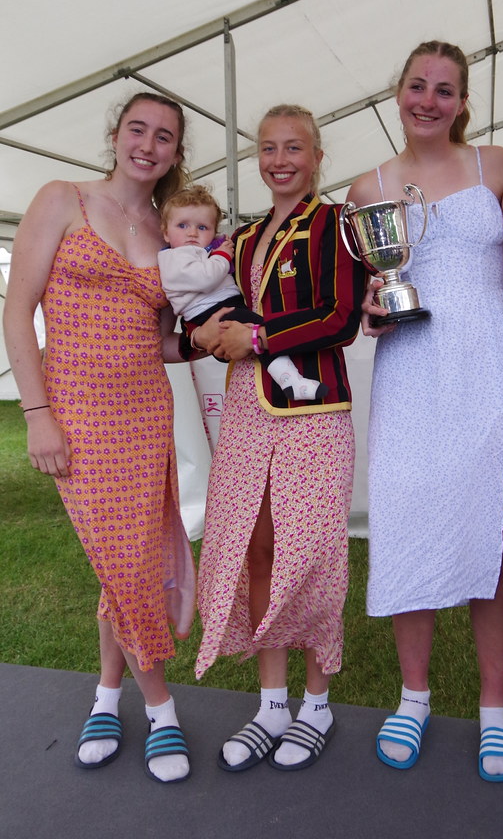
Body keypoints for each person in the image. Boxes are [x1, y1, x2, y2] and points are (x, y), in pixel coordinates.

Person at [348, 41, 503, 780]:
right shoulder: (367, 186)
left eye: (444, 89)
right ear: (398, 92)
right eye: (417, 85)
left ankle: (495, 707)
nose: (429, 100)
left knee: (495, 520)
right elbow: (361, 289)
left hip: (490, 358)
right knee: (405, 515)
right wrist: (369, 308)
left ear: (462, 102)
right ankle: (413, 698)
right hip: (412, 364)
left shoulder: (498, 166)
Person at [3, 93, 197, 783]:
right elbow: (17, 311)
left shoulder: (167, 231)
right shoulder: (64, 199)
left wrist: (216, 337)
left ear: (175, 153)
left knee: (127, 563)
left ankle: (106, 699)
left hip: (145, 415)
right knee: (124, 562)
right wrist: (37, 413)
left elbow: (163, 343)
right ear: (116, 135)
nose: (147, 144)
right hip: (77, 418)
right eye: (137, 129)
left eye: (164, 137)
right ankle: (163, 709)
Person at [188, 103, 366, 772]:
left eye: (294, 147)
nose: (280, 160)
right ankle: (271, 706)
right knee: (256, 548)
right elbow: (212, 310)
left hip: (313, 409)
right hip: (246, 408)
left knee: (311, 555)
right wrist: (201, 332)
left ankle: (316, 705)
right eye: (268, 148)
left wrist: (258, 337)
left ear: (317, 156)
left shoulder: (336, 223)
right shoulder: (240, 237)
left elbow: (342, 317)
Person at [158, 183, 328, 399]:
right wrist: (222, 256)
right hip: (211, 310)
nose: (192, 233)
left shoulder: (195, 252)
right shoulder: (176, 257)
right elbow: (204, 278)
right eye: (182, 225)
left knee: (261, 334)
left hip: (219, 306)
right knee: (266, 332)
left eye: (202, 227)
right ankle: (291, 380)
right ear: (166, 232)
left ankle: (290, 379)